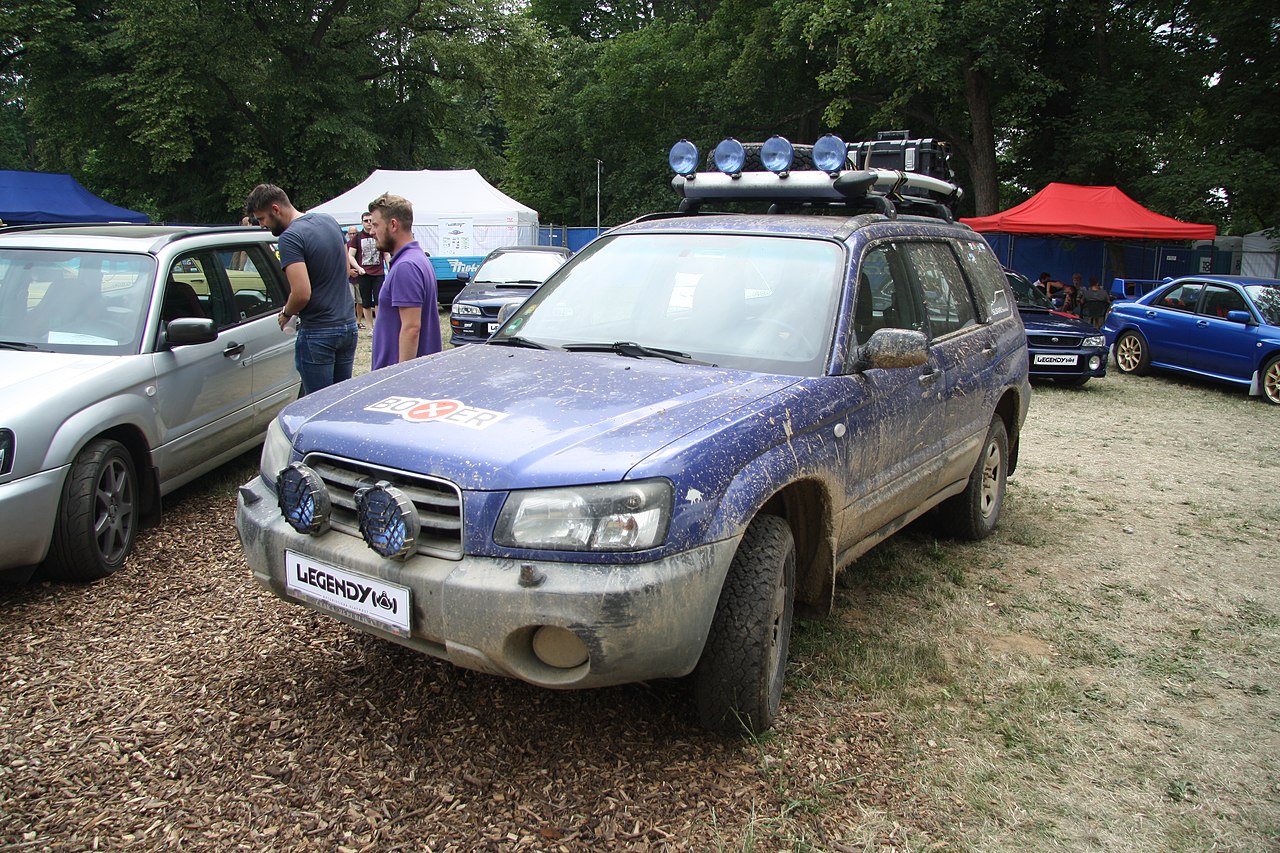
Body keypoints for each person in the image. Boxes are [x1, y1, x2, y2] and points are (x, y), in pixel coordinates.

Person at [245, 184, 357, 395]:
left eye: (262, 219)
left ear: (276, 209)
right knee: (340, 401)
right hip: (347, 326)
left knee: (317, 406)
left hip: (318, 331)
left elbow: (301, 293)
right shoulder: (329, 221)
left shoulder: (290, 237)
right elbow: (345, 269)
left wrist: (286, 313)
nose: (262, 225)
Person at [368, 193, 440, 370]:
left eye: (376, 225)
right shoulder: (416, 258)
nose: (371, 232)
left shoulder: (406, 266)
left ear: (393, 225)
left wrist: (402, 378)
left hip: (399, 380)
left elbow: (411, 328)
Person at [348, 212, 387, 327]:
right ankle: (371, 327)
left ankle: (379, 325)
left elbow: (386, 254)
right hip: (364, 273)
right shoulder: (357, 237)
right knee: (366, 302)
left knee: (379, 300)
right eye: (366, 221)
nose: (369, 223)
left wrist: (390, 268)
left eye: (371, 220)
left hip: (379, 273)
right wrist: (358, 268)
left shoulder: (380, 234)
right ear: (362, 222)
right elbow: (350, 255)